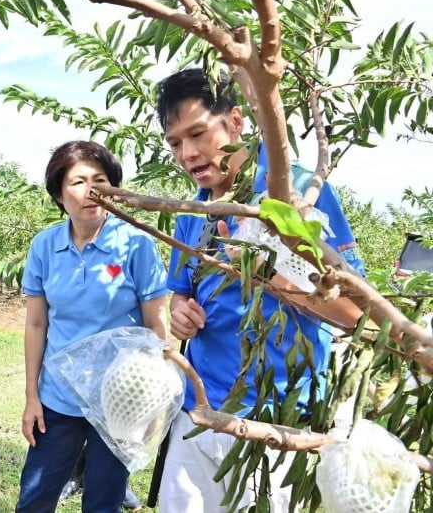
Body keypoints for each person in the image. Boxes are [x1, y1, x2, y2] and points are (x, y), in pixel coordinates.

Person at [155, 67, 365, 512]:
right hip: (199, 414)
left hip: (278, 422)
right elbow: (181, 290)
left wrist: (272, 277)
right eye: (175, 142)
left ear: (235, 120)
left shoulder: (297, 196)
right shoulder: (194, 209)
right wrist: (181, 313)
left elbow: (357, 312)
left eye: (197, 133)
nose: (187, 153)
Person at [16, 140, 169, 513]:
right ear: (58, 193)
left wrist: (154, 404)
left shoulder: (135, 246)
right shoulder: (45, 246)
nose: (92, 191)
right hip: (59, 398)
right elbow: (36, 324)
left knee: (103, 502)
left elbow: (156, 326)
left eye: (100, 180)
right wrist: (32, 397)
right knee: (34, 498)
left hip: (120, 402)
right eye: (78, 182)